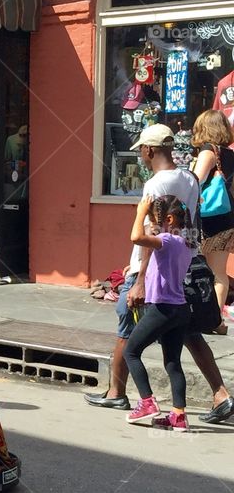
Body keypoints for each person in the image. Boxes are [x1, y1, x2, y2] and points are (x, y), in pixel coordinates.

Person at [84, 124, 234, 424]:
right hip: (187, 262)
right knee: (187, 334)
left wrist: (139, 276)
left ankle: (120, 393)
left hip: (156, 270)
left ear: (149, 150)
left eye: (141, 149)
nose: (140, 153)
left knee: (128, 326)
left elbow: (150, 234)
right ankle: (218, 396)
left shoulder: (155, 185)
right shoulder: (190, 178)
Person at [124, 195, 195, 431]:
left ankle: (147, 402)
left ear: (170, 218)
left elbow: (136, 238)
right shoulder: (186, 243)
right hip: (180, 309)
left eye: (158, 219)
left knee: (131, 351)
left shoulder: (166, 239)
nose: (155, 224)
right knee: (173, 362)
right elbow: (158, 262)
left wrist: (140, 212)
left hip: (163, 308)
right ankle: (178, 415)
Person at [190, 109, 234, 332]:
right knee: (218, 272)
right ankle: (213, 318)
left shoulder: (209, 151)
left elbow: (195, 181)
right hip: (226, 218)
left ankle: (213, 321)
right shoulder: (230, 154)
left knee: (212, 272)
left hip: (210, 221)